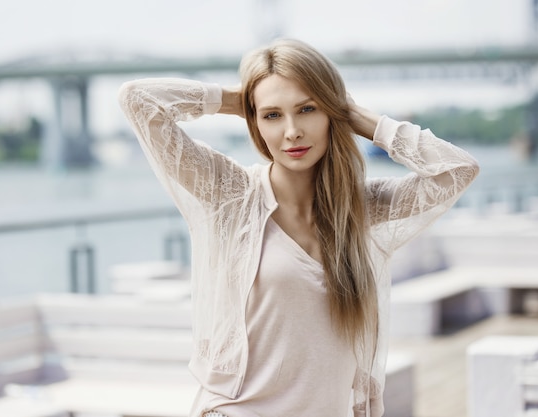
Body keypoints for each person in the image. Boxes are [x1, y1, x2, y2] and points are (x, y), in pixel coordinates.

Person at [118, 38, 479, 417]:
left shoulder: (361, 209)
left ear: (330, 114)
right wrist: (235, 100)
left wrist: (357, 117)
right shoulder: (230, 195)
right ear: (254, 122)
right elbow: (137, 100)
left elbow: (458, 170)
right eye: (272, 115)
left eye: (307, 109)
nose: (291, 131)